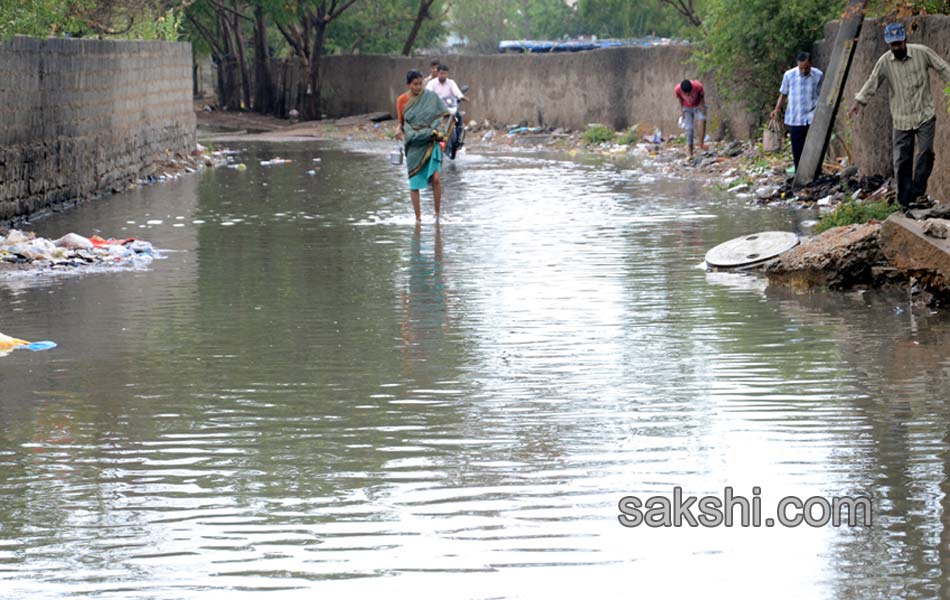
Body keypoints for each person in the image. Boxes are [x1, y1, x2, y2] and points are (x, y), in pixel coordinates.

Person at [848, 22, 950, 210]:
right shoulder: (885, 61)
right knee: (902, 160)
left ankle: (917, 192)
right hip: (901, 118)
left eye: (899, 44)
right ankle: (904, 202)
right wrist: (859, 102)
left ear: (905, 40)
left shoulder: (922, 52)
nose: (896, 48)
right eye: (893, 45)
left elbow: (943, 68)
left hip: (924, 114)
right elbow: (873, 81)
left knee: (926, 152)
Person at [395, 69, 452, 222]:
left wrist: (441, 132)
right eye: (415, 84)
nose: (419, 87)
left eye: (420, 84)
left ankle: (438, 215)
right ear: (408, 84)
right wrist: (398, 130)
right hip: (413, 142)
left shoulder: (430, 97)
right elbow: (401, 122)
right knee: (414, 182)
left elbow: (445, 114)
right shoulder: (402, 100)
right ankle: (418, 219)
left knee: (436, 178)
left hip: (431, 140)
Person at [771, 52, 823, 172]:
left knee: (814, 147)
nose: (803, 71)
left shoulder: (818, 75)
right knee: (797, 148)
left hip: (812, 116)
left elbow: (821, 94)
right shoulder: (789, 75)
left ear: (811, 63)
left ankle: (815, 173)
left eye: (806, 68)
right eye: (801, 68)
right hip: (795, 117)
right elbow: (783, 94)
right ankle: (799, 173)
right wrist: (777, 108)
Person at [674, 79, 706, 159]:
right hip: (687, 107)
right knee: (689, 129)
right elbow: (680, 99)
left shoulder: (698, 86)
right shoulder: (677, 89)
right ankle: (690, 151)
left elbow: (702, 95)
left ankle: (701, 145)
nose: (688, 94)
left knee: (702, 119)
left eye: (689, 92)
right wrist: (682, 110)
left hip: (697, 105)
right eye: (686, 93)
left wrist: (702, 105)